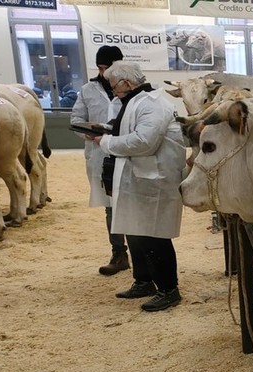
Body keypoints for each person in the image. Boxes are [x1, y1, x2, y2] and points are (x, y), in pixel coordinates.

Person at [92, 62, 187, 312]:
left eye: (114, 87)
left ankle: (169, 290)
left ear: (127, 83)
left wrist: (107, 142)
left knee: (154, 235)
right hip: (136, 179)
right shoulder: (135, 102)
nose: (113, 92)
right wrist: (104, 131)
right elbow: (130, 130)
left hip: (154, 181)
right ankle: (144, 281)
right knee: (135, 231)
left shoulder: (153, 104)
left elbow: (144, 141)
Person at [71, 45, 128, 276]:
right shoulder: (87, 90)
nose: (105, 73)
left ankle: (142, 253)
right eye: (102, 68)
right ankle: (119, 253)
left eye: (110, 67)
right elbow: (76, 118)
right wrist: (85, 132)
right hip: (99, 154)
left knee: (132, 204)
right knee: (110, 206)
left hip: (126, 151)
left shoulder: (130, 88)